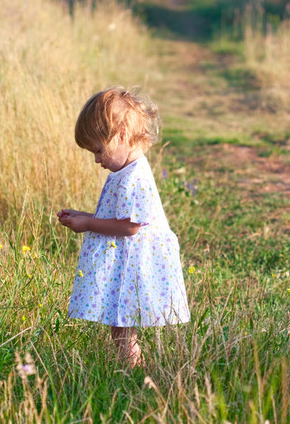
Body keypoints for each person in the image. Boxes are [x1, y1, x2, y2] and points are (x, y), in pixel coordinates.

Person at [57, 85, 190, 368]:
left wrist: (88, 223)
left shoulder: (135, 176)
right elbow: (118, 216)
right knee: (120, 326)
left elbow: (130, 227)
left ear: (121, 136)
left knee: (122, 326)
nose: (96, 159)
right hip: (126, 260)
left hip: (134, 263)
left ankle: (132, 372)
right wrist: (85, 215)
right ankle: (130, 369)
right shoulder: (126, 171)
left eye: (98, 150)